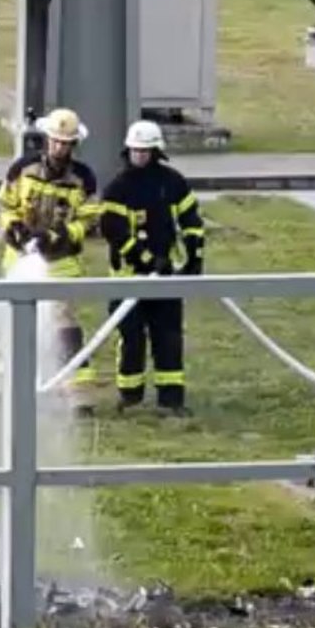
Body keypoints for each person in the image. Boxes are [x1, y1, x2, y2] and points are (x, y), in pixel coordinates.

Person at [0, 107, 100, 416]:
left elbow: (90, 220)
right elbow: (4, 204)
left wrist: (61, 235)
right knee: (13, 326)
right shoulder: (22, 169)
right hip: (22, 259)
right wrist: (12, 226)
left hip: (62, 265)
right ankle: (8, 389)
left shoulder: (84, 179)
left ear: (73, 145)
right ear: (46, 140)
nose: (59, 148)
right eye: (55, 141)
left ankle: (77, 394)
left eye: (65, 143)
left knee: (65, 329)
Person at [97, 120, 204, 417]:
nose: (140, 155)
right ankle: (130, 398)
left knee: (168, 337)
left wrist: (195, 256)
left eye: (145, 150)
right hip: (127, 280)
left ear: (157, 151)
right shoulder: (118, 188)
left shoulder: (172, 182)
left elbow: (191, 219)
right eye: (135, 150)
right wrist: (143, 259)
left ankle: (171, 400)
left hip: (166, 278)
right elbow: (113, 230)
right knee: (131, 339)